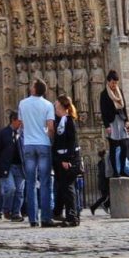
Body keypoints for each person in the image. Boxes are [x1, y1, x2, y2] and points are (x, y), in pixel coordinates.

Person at [18, 78, 55, 228]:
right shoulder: (48, 105)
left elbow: (21, 124)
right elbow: (50, 127)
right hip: (43, 144)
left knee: (30, 182)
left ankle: (33, 218)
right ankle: (46, 217)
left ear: (34, 89)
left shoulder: (22, 103)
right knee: (45, 182)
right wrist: (50, 139)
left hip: (28, 144)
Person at [52, 96, 81, 227]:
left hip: (67, 160)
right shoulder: (60, 121)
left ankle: (72, 217)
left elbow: (72, 142)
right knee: (63, 187)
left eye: (57, 106)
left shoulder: (69, 121)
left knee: (69, 188)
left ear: (64, 107)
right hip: (60, 159)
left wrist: (67, 159)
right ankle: (60, 212)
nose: (55, 109)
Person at [0, 110, 25, 221]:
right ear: (13, 120)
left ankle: (16, 213)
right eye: (20, 121)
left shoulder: (23, 133)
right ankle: (6, 209)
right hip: (8, 166)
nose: (21, 123)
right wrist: (1, 163)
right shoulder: (3, 133)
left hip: (20, 166)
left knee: (20, 191)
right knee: (10, 189)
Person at [99, 70, 129, 177]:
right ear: (108, 82)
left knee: (124, 146)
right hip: (111, 122)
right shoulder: (104, 94)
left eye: (116, 83)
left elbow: (124, 107)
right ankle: (115, 171)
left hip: (121, 119)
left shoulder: (119, 91)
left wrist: (127, 121)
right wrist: (107, 125)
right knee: (113, 147)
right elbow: (103, 111)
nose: (114, 85)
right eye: (112, 82)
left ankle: (122, 169)